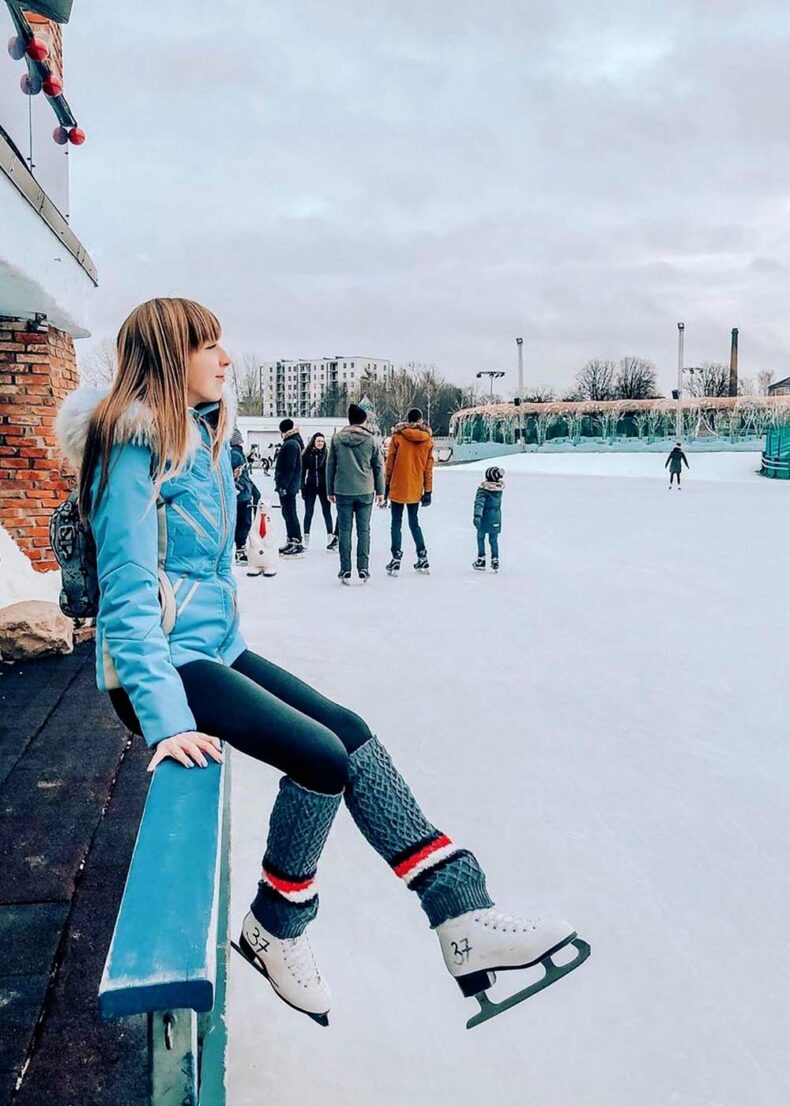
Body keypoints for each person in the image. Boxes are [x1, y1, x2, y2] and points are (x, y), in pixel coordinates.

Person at [54, 297, 583, 1028]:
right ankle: (274, 928)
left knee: (352, 735)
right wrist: (165, 719)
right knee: (320, 758)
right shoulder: (132, 447)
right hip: (158, 666)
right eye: (208, 345)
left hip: (212, 651)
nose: (226, 359)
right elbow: (127, 594)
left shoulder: (203, 438)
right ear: (170, 358)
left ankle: (463, 917)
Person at [327, 403, 384, 584]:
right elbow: (378, 467)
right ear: (364, 421)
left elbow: (330, 466)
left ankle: (345, 569)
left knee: (344, 530)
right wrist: (381, 491)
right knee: (363, 530)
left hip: (343, 490)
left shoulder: (337, 439)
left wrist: (330, 489)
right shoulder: (371, 440)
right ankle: (363, 568)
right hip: (365, 490)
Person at [384, 407, 434, 575]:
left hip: (398, 485)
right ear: (420, 420)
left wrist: (386, 485)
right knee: (414, 522)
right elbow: (428, 468)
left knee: (396, 523)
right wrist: (428, 491)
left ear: (407, 419)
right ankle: (422, 556)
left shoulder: (398, 436)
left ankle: (396, 557)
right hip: (415, 485)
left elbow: (389, 463)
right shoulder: (427, 440)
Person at [301, 432, 338, 551]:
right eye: (318, 441)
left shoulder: (327, 455)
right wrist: (302, 487)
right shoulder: (307, 455)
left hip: (324, 487)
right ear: (314, 442)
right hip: (310, 486)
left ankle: (330, 537)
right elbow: (302, 472)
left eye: (322, 441)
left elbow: (332, 471)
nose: (320, 443)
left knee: (327, 512)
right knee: (308, 512)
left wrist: (331, 488)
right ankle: (306, 537)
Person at [274, 418, 305, 555]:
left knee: (290, 513)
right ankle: (292, 539)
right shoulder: (293, 442)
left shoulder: (291, 444)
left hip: (288, 486)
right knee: (288, 513)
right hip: (290, 485)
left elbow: (289, 467)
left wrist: (283, 485)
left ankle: (295, 541)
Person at [231, 436, 260, 564]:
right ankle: (240, 550)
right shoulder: (235, 454)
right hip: (241, 494)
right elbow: (236, 475)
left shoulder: (237, 453)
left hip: (243, 492)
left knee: (242, 523)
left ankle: (240, 549)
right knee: (243, 523)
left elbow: (244, 475)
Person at [473, 466, 504, 573]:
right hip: (496, 518)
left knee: (480, 537)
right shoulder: (499, 490)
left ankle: (481, 559)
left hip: (484, 518)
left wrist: (477, 515)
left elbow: (479, 503)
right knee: (493, 539)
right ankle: (495, 560)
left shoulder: (483, 490)